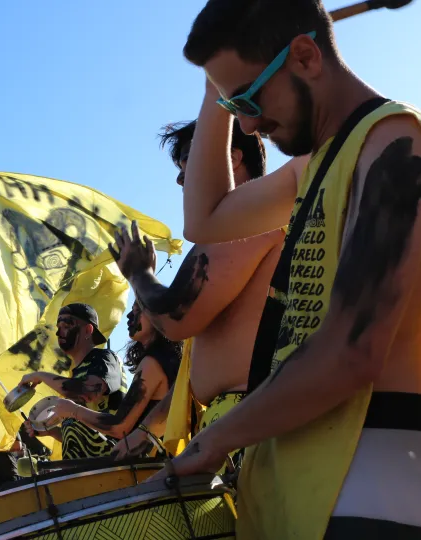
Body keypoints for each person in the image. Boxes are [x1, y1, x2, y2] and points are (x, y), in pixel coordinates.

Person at [167, 1, 421, 538]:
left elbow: (351, 351)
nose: (247, 122)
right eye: (234, 102)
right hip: (312, 481)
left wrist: (219, 437)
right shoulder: (315, 167)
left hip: (379, 484)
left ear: (305, 56)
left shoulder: (396, 144)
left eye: (248, 97)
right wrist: (215, 94)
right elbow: (205, 219)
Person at [110, 118, 285, 465]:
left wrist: (139, 273)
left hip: (253, 423)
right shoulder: (251, 218)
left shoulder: (252, 215)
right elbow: (197, 372)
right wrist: (145, 433)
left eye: (188, 160)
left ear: (232, 157)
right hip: (239, 421)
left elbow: (177, 318)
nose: (179, 178)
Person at [50, 301, 181, 450]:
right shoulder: (158, 361)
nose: (129, 316)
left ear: (157, 318)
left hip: (150, 467)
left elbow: (119, 427)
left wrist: (73, 410)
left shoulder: (152, 363)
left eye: (138, 310)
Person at [18, 303, 125, 459]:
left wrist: (40, 376)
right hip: (83, 471)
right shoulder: (75, 375)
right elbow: (83, 435)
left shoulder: (105, 358)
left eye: (66, 325)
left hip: (110, 468)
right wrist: (50, 431)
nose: (59, 332)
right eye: (58, 326)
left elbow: (87, 392)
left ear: (88, 330)